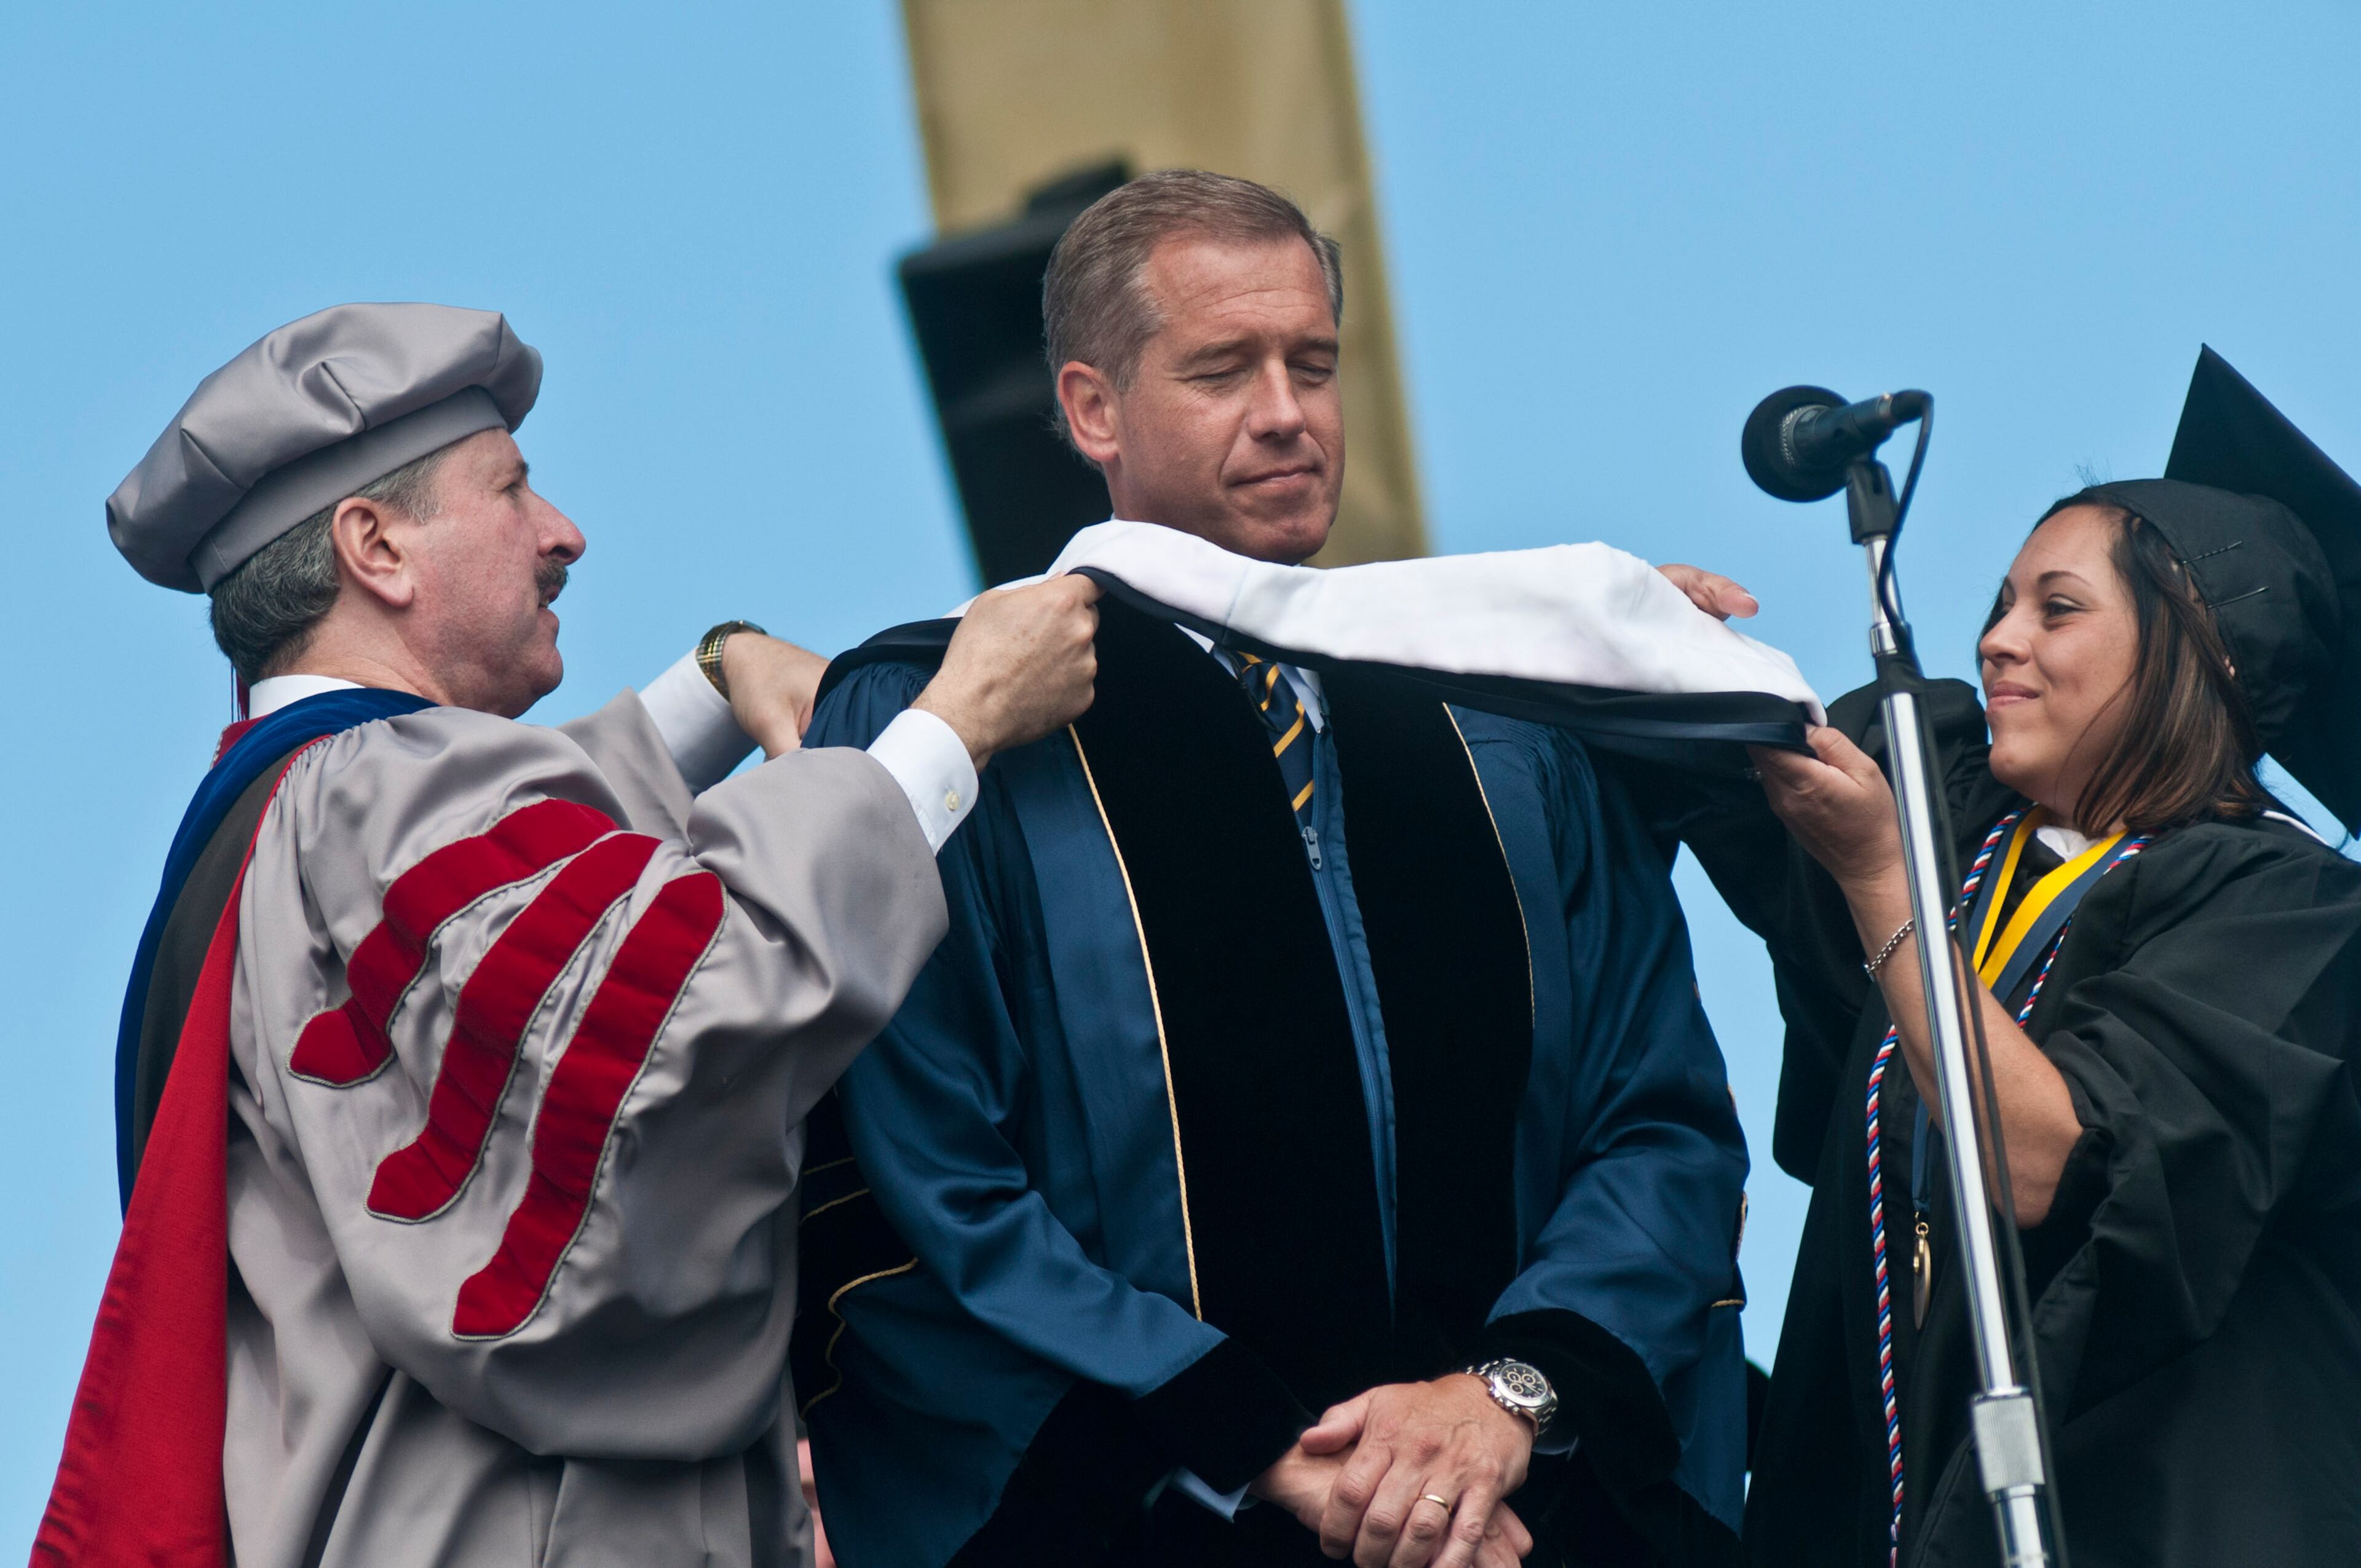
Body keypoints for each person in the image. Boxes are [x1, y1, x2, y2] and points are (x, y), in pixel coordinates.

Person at [797, 170, 1776, 1567]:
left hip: (1514, 1520)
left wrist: (1503, 1401)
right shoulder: (959, 720)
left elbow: (1661, 1118)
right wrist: (1256, 1443)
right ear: (1091, 409)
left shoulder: (1493, 712)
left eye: (1312, 364)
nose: (1286, 412)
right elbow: (925, 1176)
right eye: (1223, 370)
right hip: (1140, 1521)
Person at [36, 302, 1101, 1568]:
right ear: (374, 547)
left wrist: (717, 676)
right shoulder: (372, 795)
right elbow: (674, 1022)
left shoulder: (290, 822)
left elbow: (537, 905)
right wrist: (952, 726)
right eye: (512, 488)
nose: (564, 533)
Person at [1680, 348, 2361, 1566]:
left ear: (2200, 650)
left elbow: (2053, 1160)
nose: (1996, 640)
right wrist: (1644, 645)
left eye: (2057, 608)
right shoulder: (1966, 840)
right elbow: (1716, 771)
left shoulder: (2289, 911)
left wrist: (1881, 879)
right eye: (1999, 602)